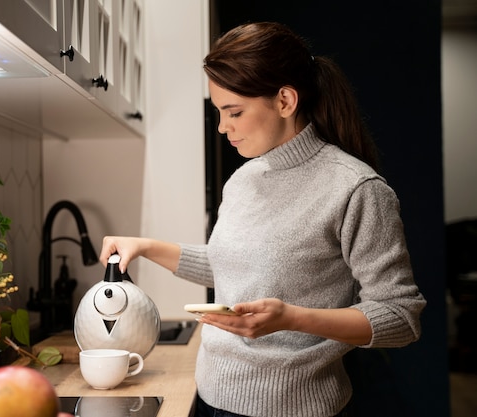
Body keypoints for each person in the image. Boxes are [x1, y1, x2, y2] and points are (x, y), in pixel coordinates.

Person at [99, 22, 426, 417]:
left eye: (233, 111)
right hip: (210, 397)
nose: (222, 127)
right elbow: (235, 265)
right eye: (218, 111)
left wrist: (292, 319)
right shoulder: (244, 180)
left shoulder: (356, 189)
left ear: (285, 101)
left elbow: (400, 316)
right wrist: (145, 246)